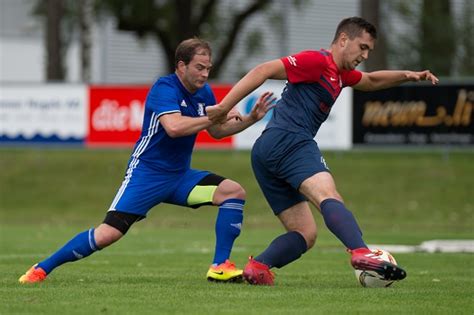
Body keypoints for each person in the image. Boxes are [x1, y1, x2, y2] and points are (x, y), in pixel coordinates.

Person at [19, 38, 275, 284]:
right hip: (147, 175)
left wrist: (252, 118)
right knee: (108, 234)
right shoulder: (164, 88)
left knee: (233, 192)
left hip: (180, 178)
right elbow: (174, 127)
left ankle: (220, 266)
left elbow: (217, 132)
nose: (205, 74)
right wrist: (216, 115)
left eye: (208, 68)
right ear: (181, 66)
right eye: (199, 67)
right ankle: (41, 269)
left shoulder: (204, 92)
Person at [206, 17, 439, 285]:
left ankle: (259, 266)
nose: (364, 55)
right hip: (290, 140)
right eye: (362, 47)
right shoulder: (317, 61)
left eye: (369, 51)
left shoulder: (341, 75)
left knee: (305, 233)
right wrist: (224, 107)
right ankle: (360, 251)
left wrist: (409, 75)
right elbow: (263, 69)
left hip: (265, 152)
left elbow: (372, 80)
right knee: (328, 194)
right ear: (343, 40)